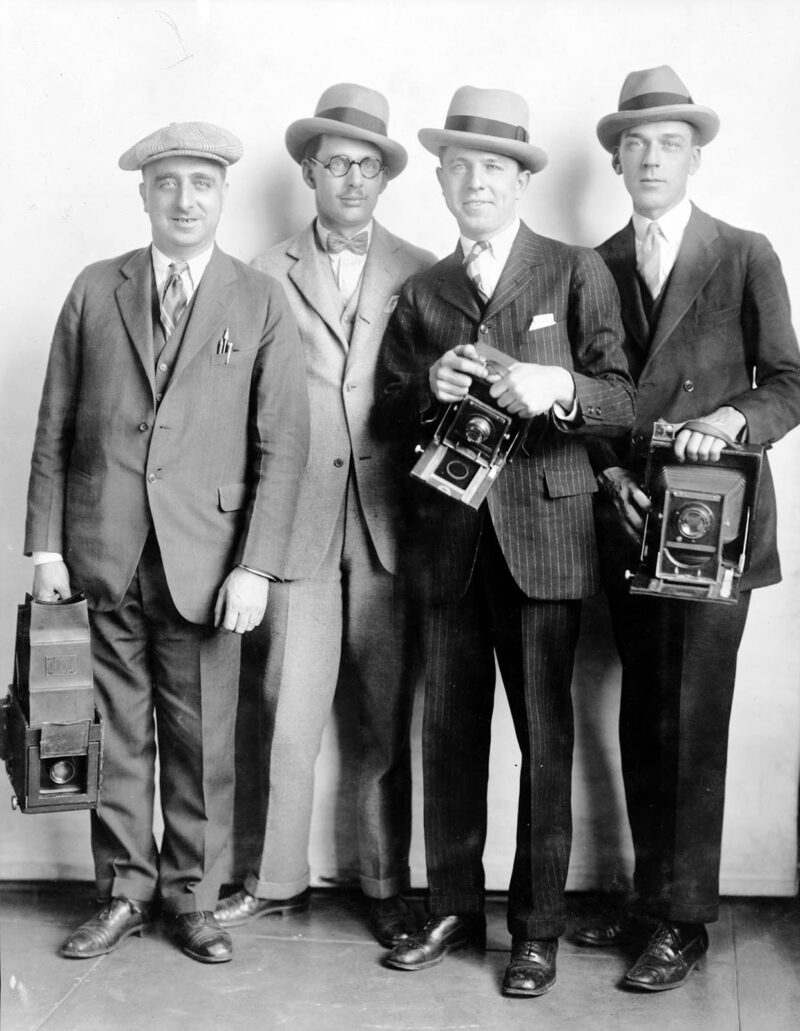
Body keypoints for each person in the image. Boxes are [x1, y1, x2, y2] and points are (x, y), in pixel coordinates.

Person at [24, 122, 310, 964]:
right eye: (167, 184)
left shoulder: (257, 299)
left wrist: (255, 564)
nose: (185, 200)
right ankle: (122, 893)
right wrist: (45, 548)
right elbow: (53, 430)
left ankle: (192, 898)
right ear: (143, 194)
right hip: (101, 553)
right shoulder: (93, 289)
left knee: (201, 742)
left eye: (202, 184)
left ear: (222, 194)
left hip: (210, 563)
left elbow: (282, 445)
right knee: (111, 734)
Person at [375, 86, 635, 997]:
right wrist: (427, 388)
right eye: (461, 166)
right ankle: (451, 905)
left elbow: (622, 396)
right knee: (446, 735)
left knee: (544, 742)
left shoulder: (572, 270)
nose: (476, 180)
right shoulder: (423, 290)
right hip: (448, 544)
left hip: (545, 540)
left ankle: (537, 930)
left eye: (495, 166)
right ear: (441, 179)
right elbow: (388, 415)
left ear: (521, 179)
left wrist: (555, 381)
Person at [575, 66, 800, 991]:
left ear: (695, 156)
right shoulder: (596, 263)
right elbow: (589, 399)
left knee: (694, 720)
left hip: (720, 523)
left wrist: (731, 422)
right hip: (635, 518)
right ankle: (648, 899)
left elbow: (789, 381)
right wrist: (612, 474)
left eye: (669, 142)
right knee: (641, 713)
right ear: (618, 158)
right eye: (637, 143)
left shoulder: (744, 252)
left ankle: (685, 919)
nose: (651, 157)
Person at [214, 84, 435, 947]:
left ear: (385, 178)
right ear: (309, 170)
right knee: (284, 709)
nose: (350, 178)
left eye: (367, 165)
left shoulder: (423, 269)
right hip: (295, 519)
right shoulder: (261, 271)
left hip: (391, 520)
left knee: (384, 711)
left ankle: (385, 880)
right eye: (336, 162)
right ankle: (272, 878)